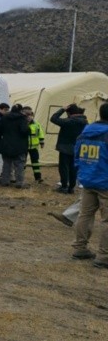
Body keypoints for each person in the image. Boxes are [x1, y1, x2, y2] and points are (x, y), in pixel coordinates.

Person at [71, 102, 108, 267]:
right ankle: (104, 256)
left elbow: (77, 156)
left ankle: (79, 248)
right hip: (105, 182)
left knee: (85, 215)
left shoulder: (85, 132)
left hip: (88, 180)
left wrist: (83, 172)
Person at [51, 103, 88, 194]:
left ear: (69, 113)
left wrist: (62, 109)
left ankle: (64, 187)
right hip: (78, 147)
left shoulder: (68, 121)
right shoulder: (85, 122)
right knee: (73, 168)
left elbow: (53, 119)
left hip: (65, 147)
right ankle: (71, 188)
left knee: (64, 167)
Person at [0, 104, 30, 188]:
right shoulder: (22, 118)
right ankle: (19, 183)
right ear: (20, 110)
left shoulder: (4, 118)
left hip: (6, 144)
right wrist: (28, 125)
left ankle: (5, 181)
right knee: (19, 165)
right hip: (19, 146)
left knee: (7, 163)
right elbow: (24, 131)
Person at [22, 106, 45, 183]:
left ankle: (38, 178)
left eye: (31, 116)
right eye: (28, 116)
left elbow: (40, 133)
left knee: (35, 163)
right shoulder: (22, 123)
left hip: (34, 147)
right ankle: (21, 177)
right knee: (22, 162)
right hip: (24, 147)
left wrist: (42, 142)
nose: (29, 117)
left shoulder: (36, 124)